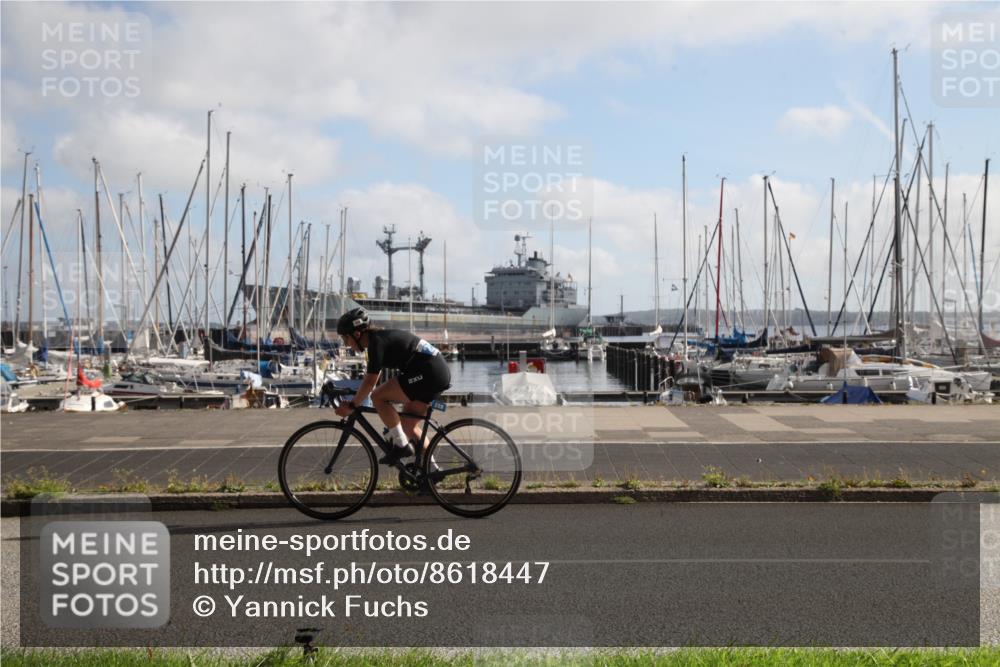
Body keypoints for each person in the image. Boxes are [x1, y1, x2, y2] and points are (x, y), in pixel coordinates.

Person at [334, 307, 451, 465]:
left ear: (357, 334)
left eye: (345, 339)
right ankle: (433, 471)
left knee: (378, 396)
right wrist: (356, 397)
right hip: (435, 371)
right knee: (408, 426)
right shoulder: (380, 340)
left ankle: (401, 445)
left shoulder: (376, 343)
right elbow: (372, 378)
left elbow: (370, 383)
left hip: (429, 372)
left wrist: (353, 405)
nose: (345, 344)